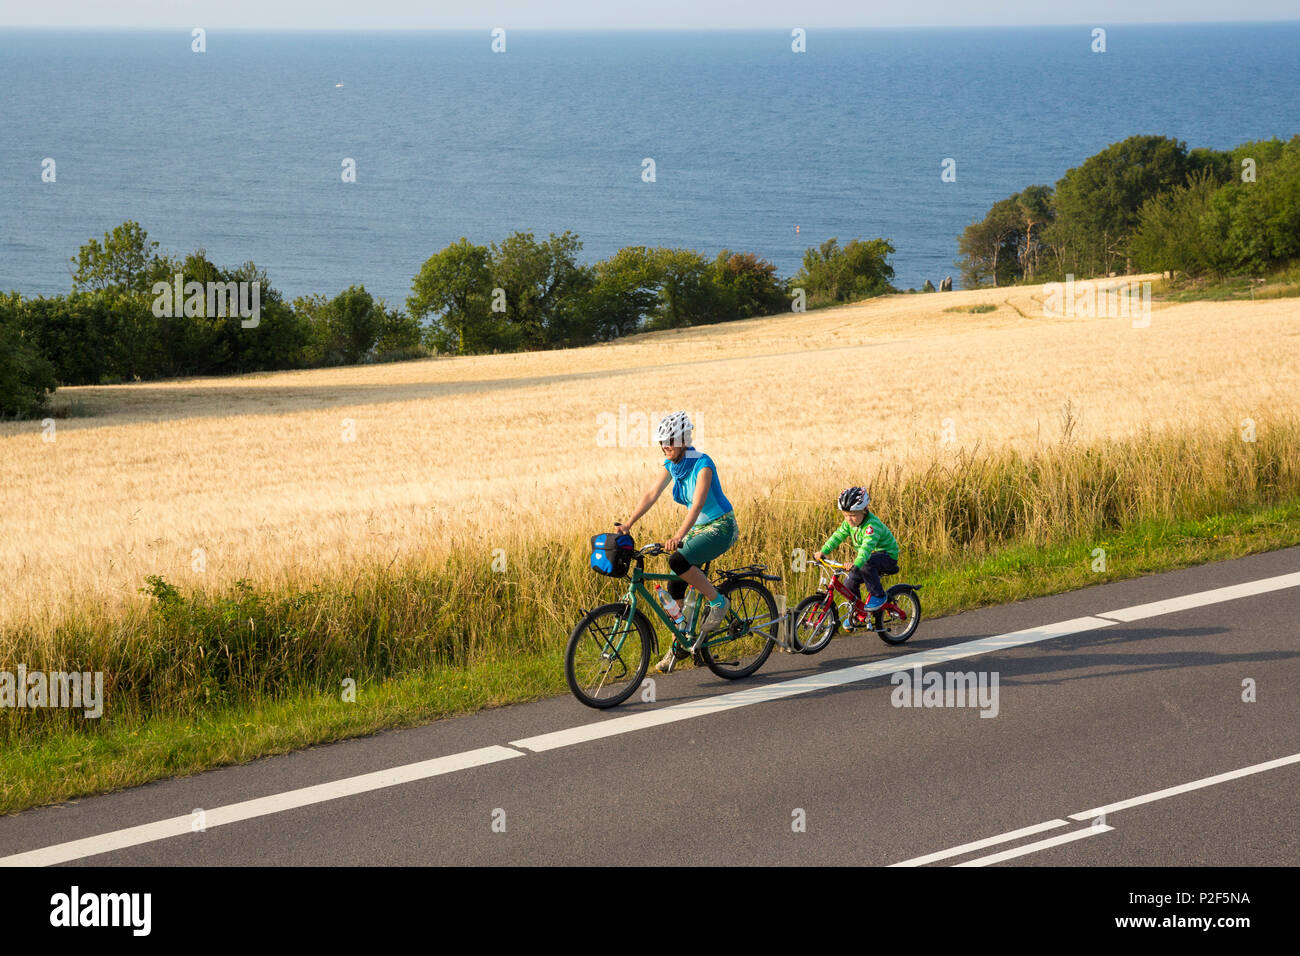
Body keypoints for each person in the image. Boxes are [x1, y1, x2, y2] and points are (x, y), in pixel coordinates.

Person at [614, 412, 736, 673]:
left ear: (683, 439)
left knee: (678, 560)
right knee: (674, 584)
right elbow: (651, 494)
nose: (664, 446)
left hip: (721, 526)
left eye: (669, 440)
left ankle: (718, 602)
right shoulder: (673, 464)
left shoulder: (703, 464)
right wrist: (628, 524)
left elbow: (697, 506)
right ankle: (678, 647)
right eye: (661, 442)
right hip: (700, 528)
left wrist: (679, 536)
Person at [818, 486, 900, 623]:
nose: (848, 519)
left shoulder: (871, 526)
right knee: (849, 583)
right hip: (868, 559)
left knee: (866, 562)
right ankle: (858, 611)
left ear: (864, 510)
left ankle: (878, 595)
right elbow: (837, 536)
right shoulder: (849, 524)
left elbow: (866, 549)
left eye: (853, 515)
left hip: (887, 556)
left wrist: (856, 564)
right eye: (845, 515)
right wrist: (824, 551)